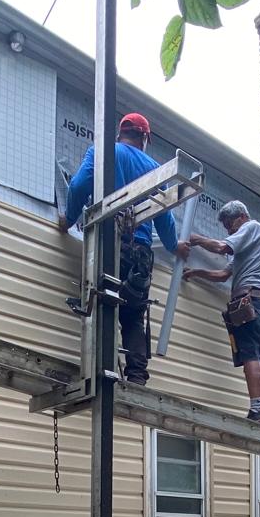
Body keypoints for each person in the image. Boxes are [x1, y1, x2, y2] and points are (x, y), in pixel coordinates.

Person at [58, 112, 179, 385]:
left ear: (120, 133)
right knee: (133, 314)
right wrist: (174, 247)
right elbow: (165, 219)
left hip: (111, 244)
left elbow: (78, 186)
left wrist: (69, 219)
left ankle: (100, 369)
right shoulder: (156, 170)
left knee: (102, 300)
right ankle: (136, 375)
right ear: (145, 138)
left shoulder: (104, 152)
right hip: (140, 253)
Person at [180, 200, 260, 426]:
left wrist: (195, 239)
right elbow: (224, 275)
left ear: (241, 217)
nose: (229, 230)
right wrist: (196, 273)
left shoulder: (252, 227)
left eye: (229, 225)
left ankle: (256, 410)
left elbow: (220, 247)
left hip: (250, 303)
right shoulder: (249, 247)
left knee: (250, 355)